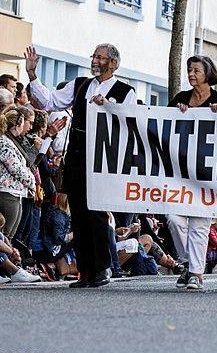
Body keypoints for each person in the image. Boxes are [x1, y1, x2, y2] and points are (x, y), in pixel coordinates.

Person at [25, 44, 136, 288]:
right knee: (79, 212)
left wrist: (108, 106)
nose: (95, 61)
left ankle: (103, 268)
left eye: (100, 57)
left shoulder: (125, 91)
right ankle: (85, 271)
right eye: (94, 56)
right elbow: (50, 101)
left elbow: (130, 122)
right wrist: (33, 75)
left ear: (113, 64)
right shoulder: (81, 84)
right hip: (77, 154)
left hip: (102, 158)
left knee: (97, 213)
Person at [166, 56, 217, 291]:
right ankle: (189, 262)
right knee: (174, 220)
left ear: (208, 73)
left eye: (196, 70)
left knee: (200, 223)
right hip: (181, 173)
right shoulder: (181, 99)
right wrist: (177, 112)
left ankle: (195, 273)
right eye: (189, 70)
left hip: (208, 173)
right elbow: (163, 127)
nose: (191, 74)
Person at [0, 108, 36, 239]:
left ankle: (10, 257)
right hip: (7, 193)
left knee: (10, 235)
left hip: (16, 193)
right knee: (6, 235)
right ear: (17, 125)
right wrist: (32, 183)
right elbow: (16, 168)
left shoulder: (9, 142)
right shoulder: (4, 142)